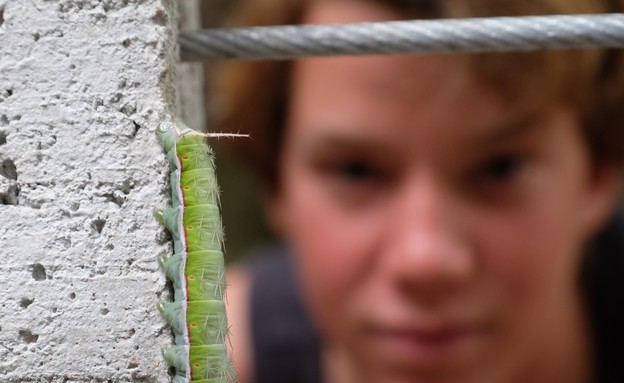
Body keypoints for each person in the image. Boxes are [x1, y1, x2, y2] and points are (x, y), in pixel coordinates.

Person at [211, 0, 624, 382]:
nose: (425, 259)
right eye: (357, 171)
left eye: (499, 169)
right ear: (275, 181)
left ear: (599, 173)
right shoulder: (202, 362)